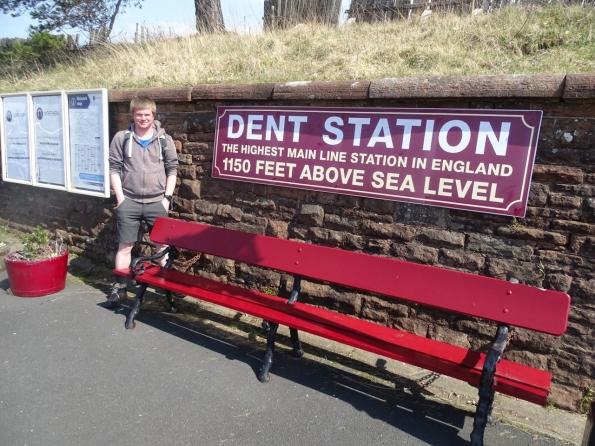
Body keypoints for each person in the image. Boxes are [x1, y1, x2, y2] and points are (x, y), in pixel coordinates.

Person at [106, 96, 178, 307]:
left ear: (153, 116)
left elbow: (172, 169)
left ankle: (167, 286)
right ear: (133, 115)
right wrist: (120, 198)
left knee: (162, 246)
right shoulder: (122, 138)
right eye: (139, 114)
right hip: (130, 201)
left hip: (157, 202)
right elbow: (114, 169)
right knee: (125, 246)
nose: (143, 118)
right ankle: (120, 288)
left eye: (147, 114)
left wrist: (167, 199)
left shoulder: (165, 139)